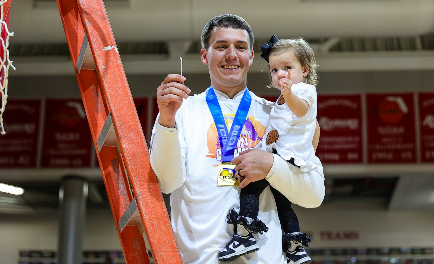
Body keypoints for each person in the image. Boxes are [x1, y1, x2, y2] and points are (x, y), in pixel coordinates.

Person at [150, 14, 325, 264]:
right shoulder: (181, 112)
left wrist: (271, 166)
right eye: (221, 47)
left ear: (251, 57)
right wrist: (166, 118)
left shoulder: (279, 115)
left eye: (240, 47)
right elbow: (167, 182)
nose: (231, 54)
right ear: (204, 55)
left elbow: (314, 195)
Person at [218, 35, 323, 264]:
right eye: (274, 70)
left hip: (287, 158)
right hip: (282, 157)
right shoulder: (281, 99)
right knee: (282, 203)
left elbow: (302, 110)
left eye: (287, 67)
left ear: (304, 70)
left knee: (250, 188)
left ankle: (245, 234)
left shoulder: (302, 91)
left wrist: (288, 94)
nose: (280, 74)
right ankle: (294, 248)